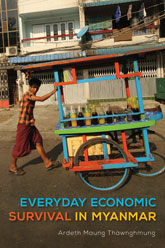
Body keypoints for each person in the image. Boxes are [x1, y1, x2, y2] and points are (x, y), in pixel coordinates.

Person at [9, 77, 57, 175]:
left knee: (38, 141)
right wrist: (53, 91)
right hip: (23, 126)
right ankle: (12, 167)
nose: (35, 90)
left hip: (30, 125)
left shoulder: (31, 94)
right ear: (30, 86)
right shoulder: (27, 95)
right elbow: (41, 99)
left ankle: (47, 162)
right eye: (34, 87)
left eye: (37, 88)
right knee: (19, 148)